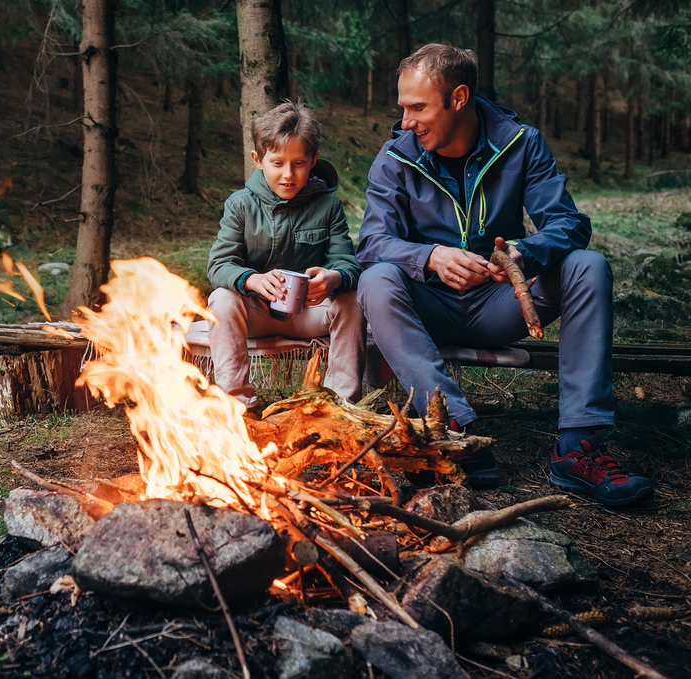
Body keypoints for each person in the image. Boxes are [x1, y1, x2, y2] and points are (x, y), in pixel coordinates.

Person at [357, 44, 652, 506]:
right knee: (375, 280)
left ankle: (579, 448)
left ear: (458, 98)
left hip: (501, 304)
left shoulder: (520, 143)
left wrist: (522, 253)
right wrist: (431, 256)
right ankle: (455, 430)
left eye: (418, 108)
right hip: (426, 307)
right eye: (403, 108)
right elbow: (372, 243)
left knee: (588, 267)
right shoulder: (396, 157)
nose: (407, 121)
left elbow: (569, 224)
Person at [207, 101, 364, 413]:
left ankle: (340, 406)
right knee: (221, 299)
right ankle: (237, 406)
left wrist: (334, 277)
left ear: (314, 160)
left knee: (352, 299)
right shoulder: (240, 205)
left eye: (299, 164)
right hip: (257, 314)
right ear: (258, 160)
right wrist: (251, 280)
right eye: (277, 163)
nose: (288, 175)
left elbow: (348, 263)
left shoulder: (328, 205)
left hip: (309, 313)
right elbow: (218, 265)